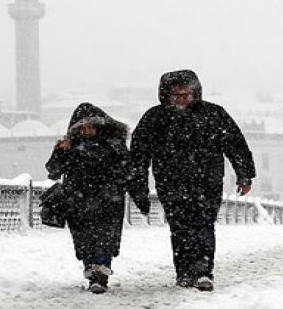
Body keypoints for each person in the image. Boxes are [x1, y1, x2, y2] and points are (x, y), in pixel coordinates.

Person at [129, 69, 256, 292]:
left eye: (185, 94)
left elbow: (235, 145)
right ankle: (184, 272)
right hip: (171, 183)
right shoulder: (155, 118)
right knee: (180, 228)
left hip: (207, 182)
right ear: (166, 95)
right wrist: (138, 185)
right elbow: (139, 154)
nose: (181, 99)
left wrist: (244, 174)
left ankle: (203, 272)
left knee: (204, 225)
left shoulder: (213, 114)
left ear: (195, 93)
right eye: (176, 95)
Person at [45, 102, 149, 294]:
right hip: (78, 201)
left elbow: (130, 173)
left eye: (90, 126)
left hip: (108, 201)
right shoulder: (71, 147)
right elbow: (53, 171)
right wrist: (61, 151)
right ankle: (92, 272)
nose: (86, 131)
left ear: (101, 126)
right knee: (84, 239)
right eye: (82, 128)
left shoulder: (114, 146)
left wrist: (140, 196)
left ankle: (100, 274)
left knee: (105, 238)